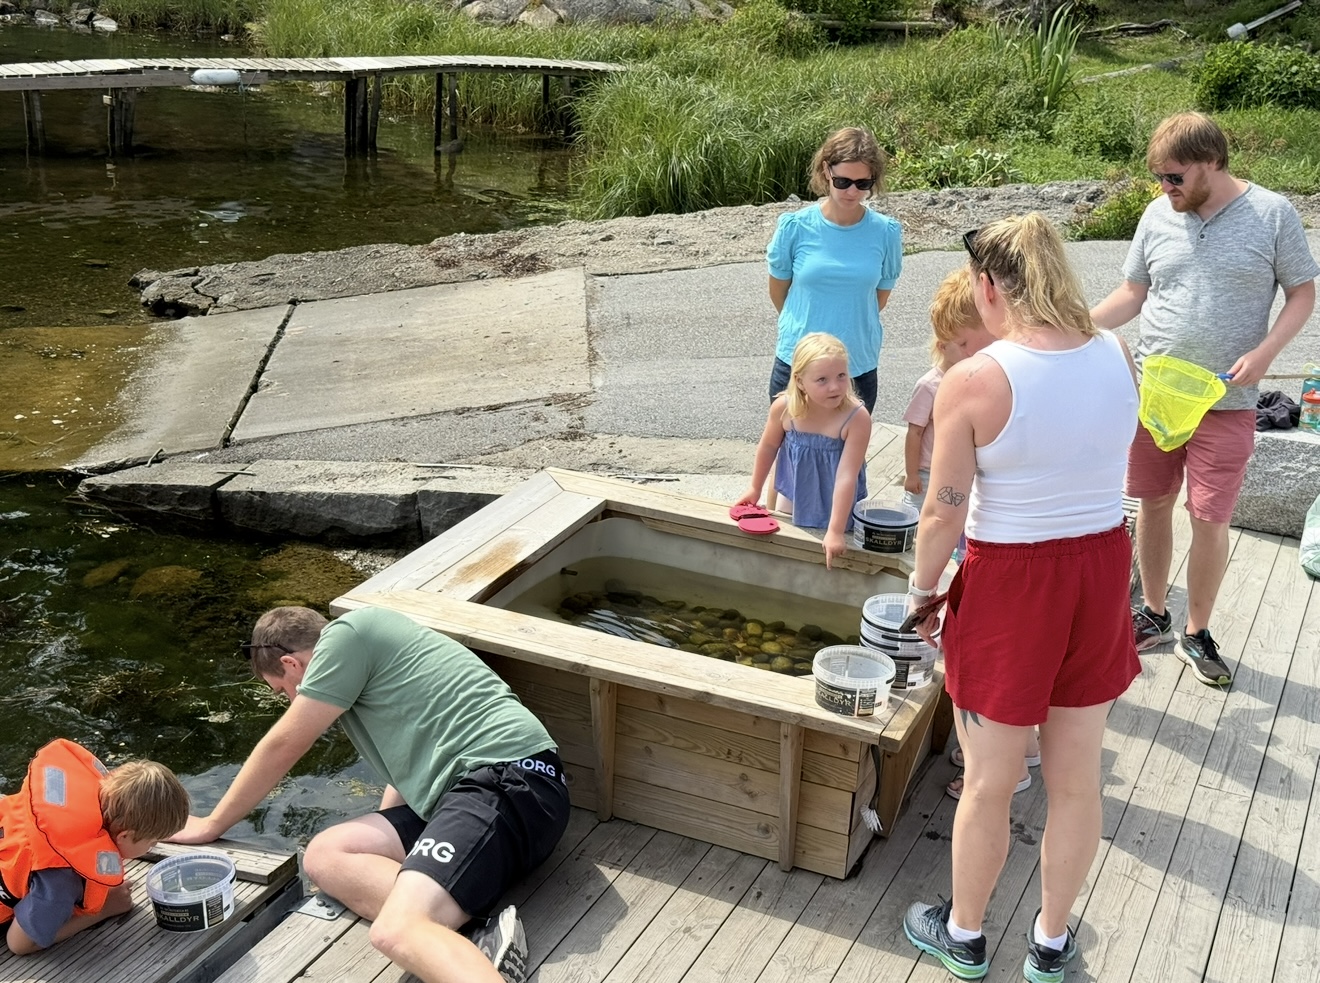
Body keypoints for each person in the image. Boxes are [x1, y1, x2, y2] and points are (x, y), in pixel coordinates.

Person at [901, 214, 1141, 983]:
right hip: (1100, 568)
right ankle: (1050, 943)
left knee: (989, 780)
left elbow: (941, 511)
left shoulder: (976, 378)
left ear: (988, 286)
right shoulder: (1118, 351)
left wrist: (922, 592)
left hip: (1011, 581)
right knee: (1075, 778)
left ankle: (965, 937)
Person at [170, 605, 571, 983]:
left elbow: (283, 746)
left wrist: (212, 824)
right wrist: (387, 842)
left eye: (282, 690)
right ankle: (469, 939)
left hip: (509, 784)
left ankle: (429, 927)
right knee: (325, 854)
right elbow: (406, 770)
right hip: (469, 797)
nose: (291, 702)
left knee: (395, 931)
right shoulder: (371, 665)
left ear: (291, 664)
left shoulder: (347, 635)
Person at [1092, 110, 1319, 688]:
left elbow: (1301, 293)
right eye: (1159, 178)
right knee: (1153, 503)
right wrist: (1074, 326)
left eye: (1175, 177)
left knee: (1209, 517)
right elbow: (1133, 293)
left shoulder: (1272, 214)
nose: (1165, 188)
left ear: (1212, 162)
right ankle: (1154, 613)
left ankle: (1196, 631)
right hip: (1155, 394)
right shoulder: (1157, 214)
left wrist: (1266, 353)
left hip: (1227, 399)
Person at [2, 738, 188, 955]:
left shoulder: (55, 809)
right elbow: (20, 943)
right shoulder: (62, 877)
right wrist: (103, 910)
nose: (153, 846)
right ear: (125, 836)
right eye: (153, 841)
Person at [766, 126, 903, 414]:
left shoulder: (886, 233)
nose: (852, 192)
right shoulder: (794, 227)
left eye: (863, 184)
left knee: (851, 443)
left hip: (856, 365)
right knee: (789, 441)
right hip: (798, 362)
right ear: (826, 171)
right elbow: (779, 292)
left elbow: (878, 299)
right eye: (843, 181)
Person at [737, 332, 871, 568]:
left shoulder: (857, 417)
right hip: (793, 492)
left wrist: (835, 530)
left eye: (841, 376)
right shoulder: (784, 408)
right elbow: (768, 446)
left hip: (837, 500)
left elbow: (846, 476)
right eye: (822, 379)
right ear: (800, 381)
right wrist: (754, 488)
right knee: (786, 547)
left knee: (835, 551)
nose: (834, 386)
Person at [901, 267, 993, 512]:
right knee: (919, 515)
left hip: (961, 469)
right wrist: (911, 473)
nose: (968, 351)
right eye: (961, 345)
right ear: (942, 347)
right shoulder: (929, 385)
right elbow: (914, 432)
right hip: (928, 470)